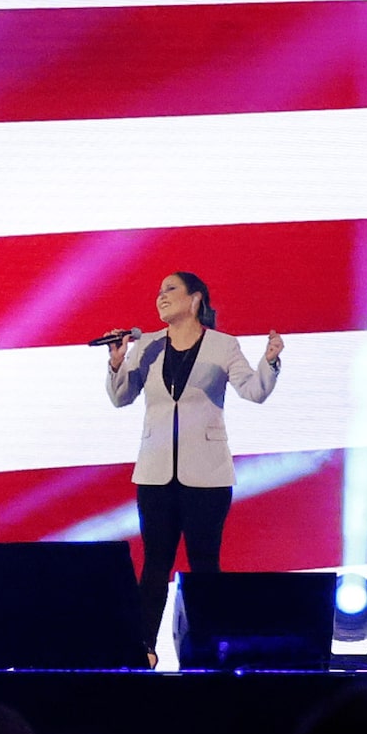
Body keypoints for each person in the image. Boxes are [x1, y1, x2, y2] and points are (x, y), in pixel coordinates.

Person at [105, 272, 284, 663]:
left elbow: (253, 391)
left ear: (195, 299)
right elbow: (122, 398)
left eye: (170, 289)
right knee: (154, 564)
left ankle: (207, 645)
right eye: (158, 291)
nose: (161, 297)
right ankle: (142, 649)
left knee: (204, 563)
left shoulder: (222, 345)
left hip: (207, 474)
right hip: (154, 474)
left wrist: (269, 362)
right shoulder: (147, 345)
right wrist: (117, 363)